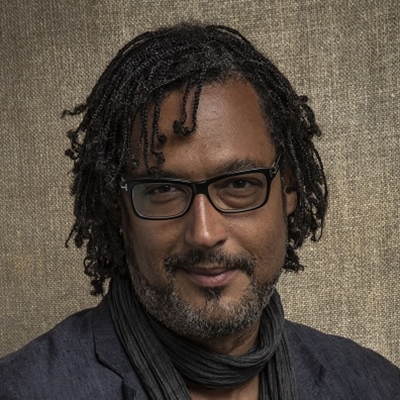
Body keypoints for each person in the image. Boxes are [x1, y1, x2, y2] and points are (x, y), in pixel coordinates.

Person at [0, 23, 399, 400]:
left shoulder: (375, 386)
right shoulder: (24, 389)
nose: (204, 233)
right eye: (163, 190)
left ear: (288, 189)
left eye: (239, 185)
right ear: (118, 208)